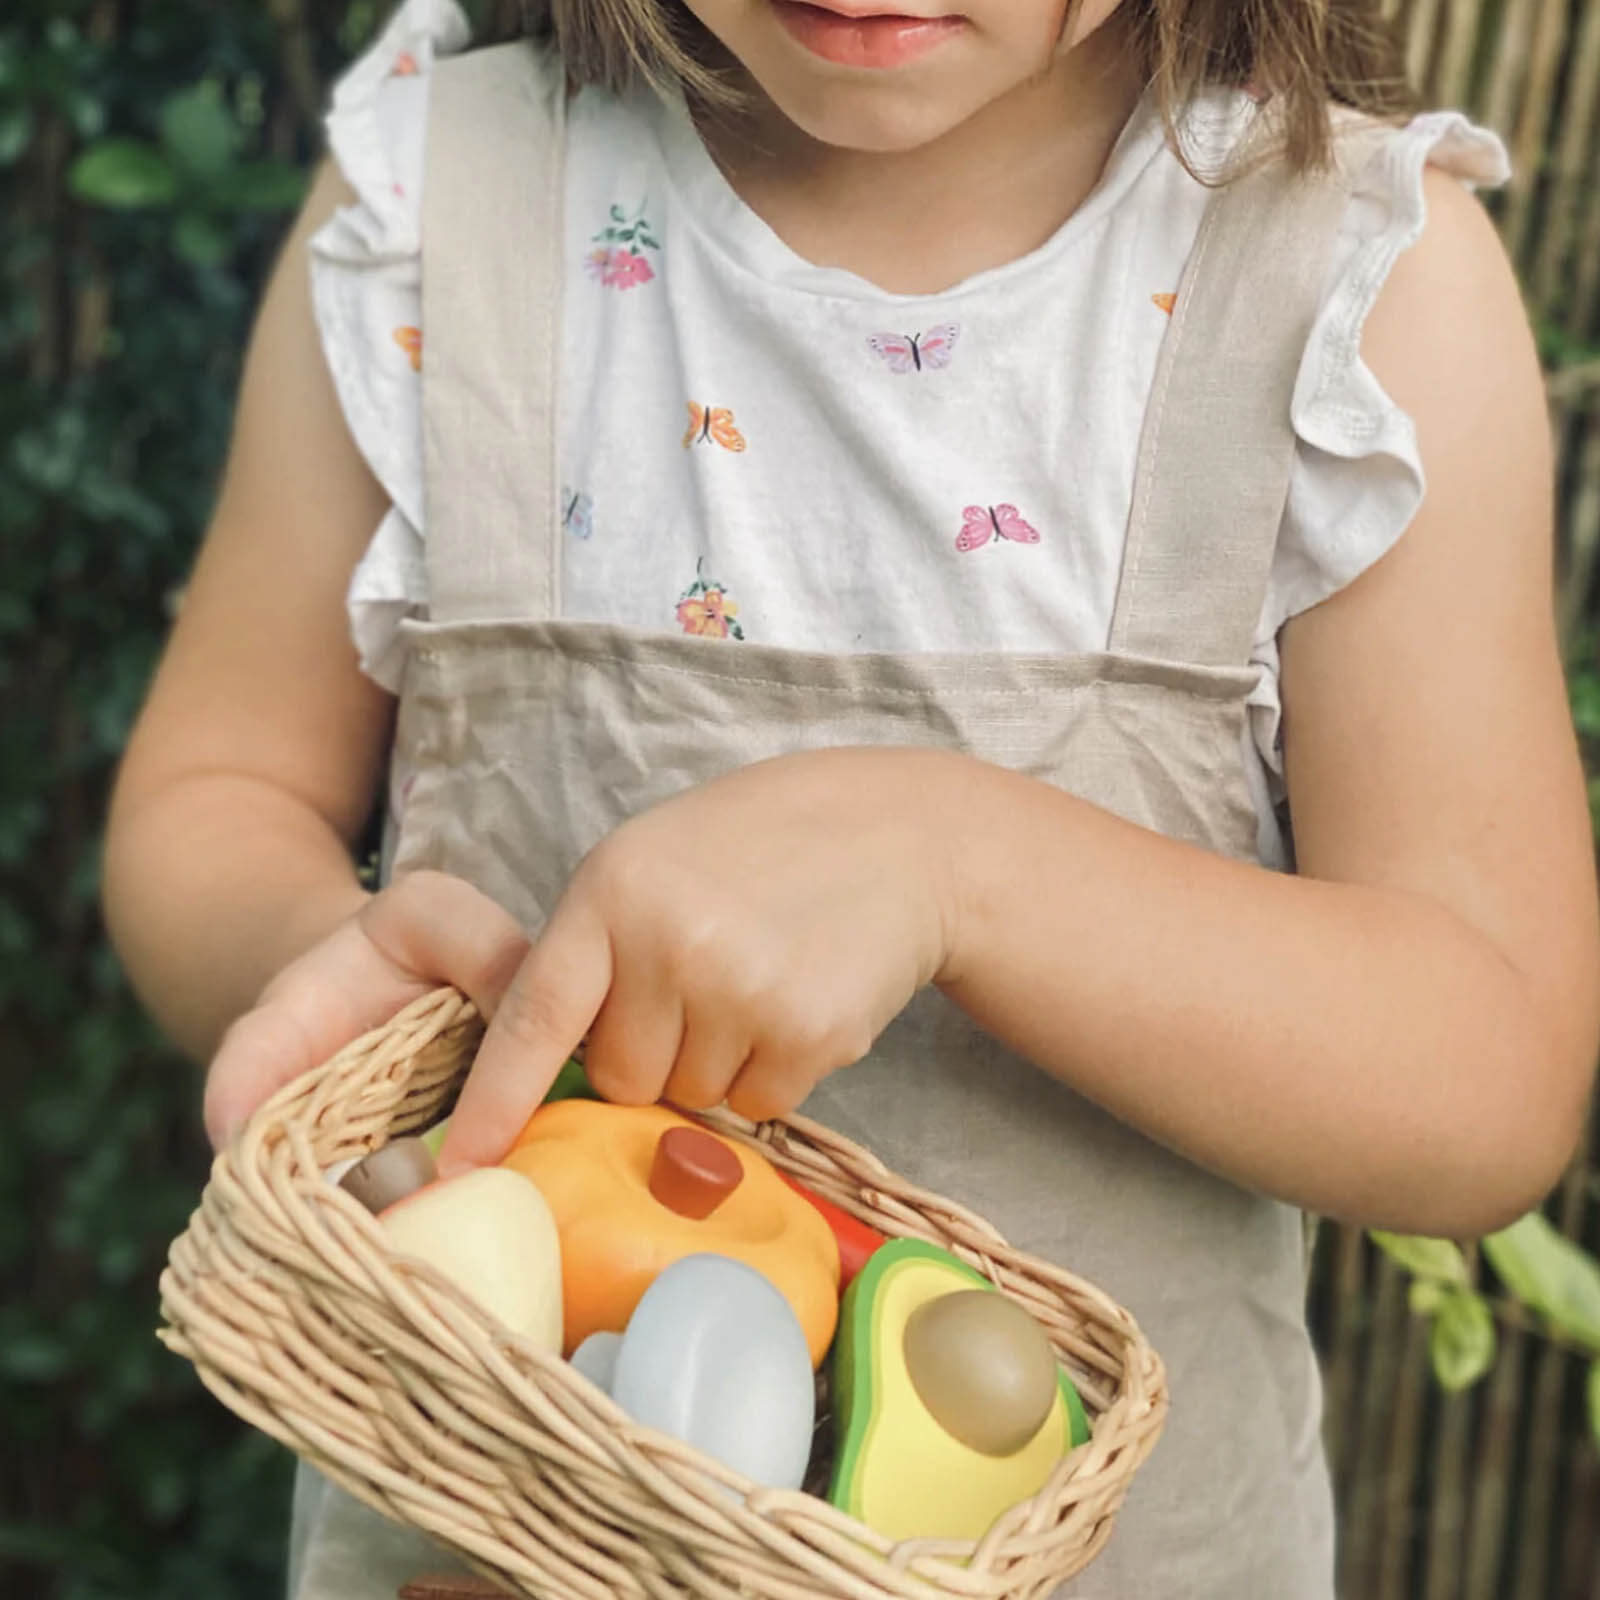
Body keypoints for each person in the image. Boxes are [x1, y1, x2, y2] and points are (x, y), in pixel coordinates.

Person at [103, 0, 1599, 1593]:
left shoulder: (1351, 289)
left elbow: (1487, 1076)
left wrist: (963, 866)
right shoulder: (443, 208)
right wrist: (315, 956)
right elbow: (220, 788)